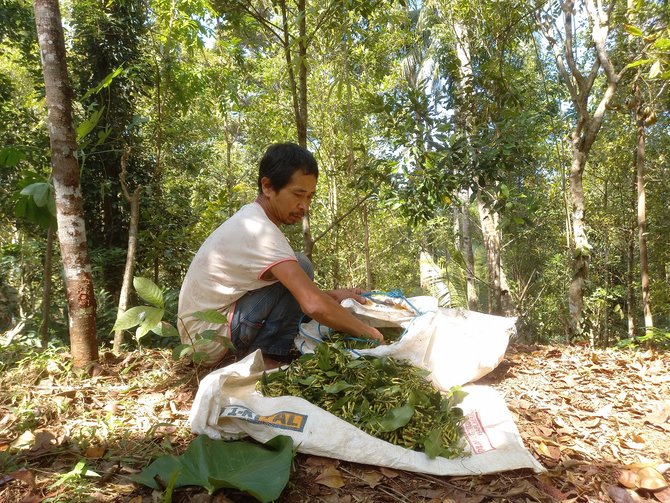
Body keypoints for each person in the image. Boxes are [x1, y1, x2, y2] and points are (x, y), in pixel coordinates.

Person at [178, 142, 384, 367]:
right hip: (211, 342)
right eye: (298, 194)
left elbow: (292, 293)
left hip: (202, 336)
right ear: (267, 186)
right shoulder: (260, 232)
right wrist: (371, 333)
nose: (304, 206)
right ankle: (269, 358)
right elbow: (312, 304)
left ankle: (266, 353)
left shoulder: (251, 220)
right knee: (301, 265)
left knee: (297, 267)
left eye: (310, 197)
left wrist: (334, 295)